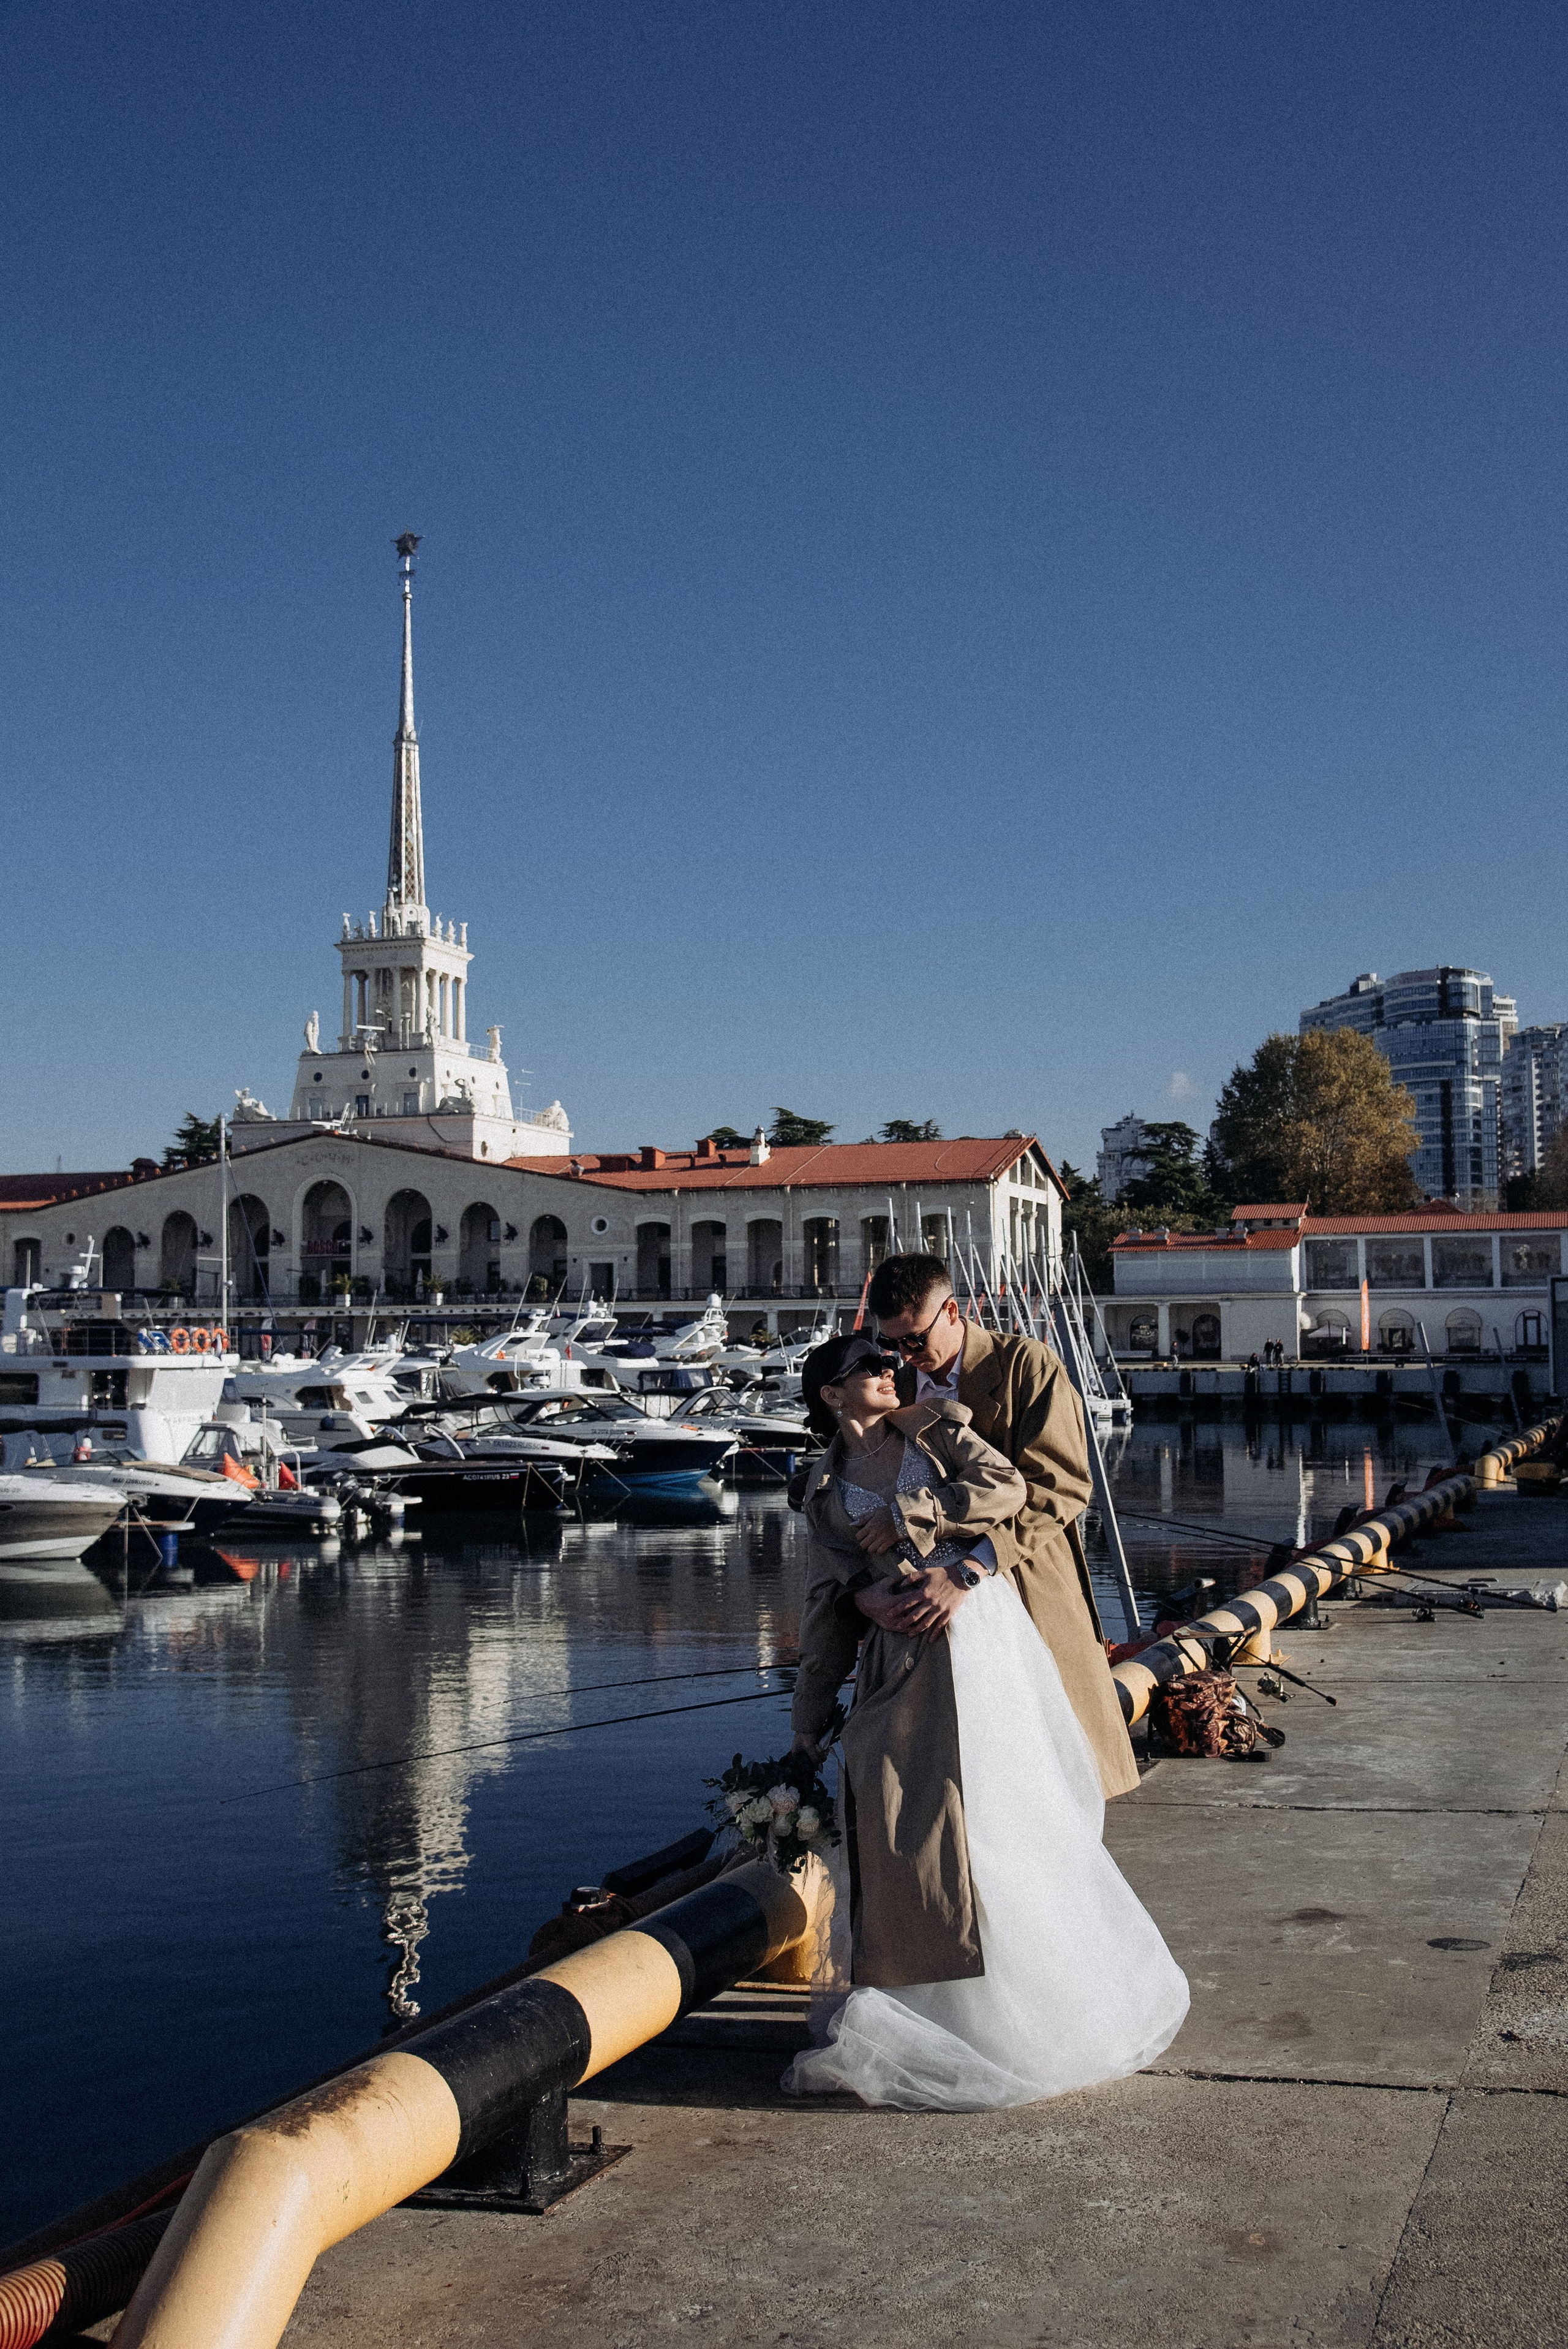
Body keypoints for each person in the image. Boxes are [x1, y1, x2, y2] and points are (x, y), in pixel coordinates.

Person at [783, 1331, 1188, 2111]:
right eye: (867, 1367)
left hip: (976, 1641)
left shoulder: (934, 1428)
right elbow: (827, 1603)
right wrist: (809, 1717)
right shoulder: (822, 1489)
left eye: (888, 1361)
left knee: (997, 1819)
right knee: (899, 1822)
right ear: (832, 1395)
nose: (887, 1371)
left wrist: (917, 1508)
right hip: (896, 1662)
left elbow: (1007, 1490)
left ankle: (1033, 2014)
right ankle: (924, 2010)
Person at [859, 1252, 1139, 1799]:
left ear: (954, 1312)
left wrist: (967, 1572)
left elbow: (1061, 1488)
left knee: (1057, 1762)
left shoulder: (1027, 1367)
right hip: (932, 1618)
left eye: (915, 1340)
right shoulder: (897, 1385)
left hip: (1025, 1578)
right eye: (892, 1345)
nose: (905, 1357)